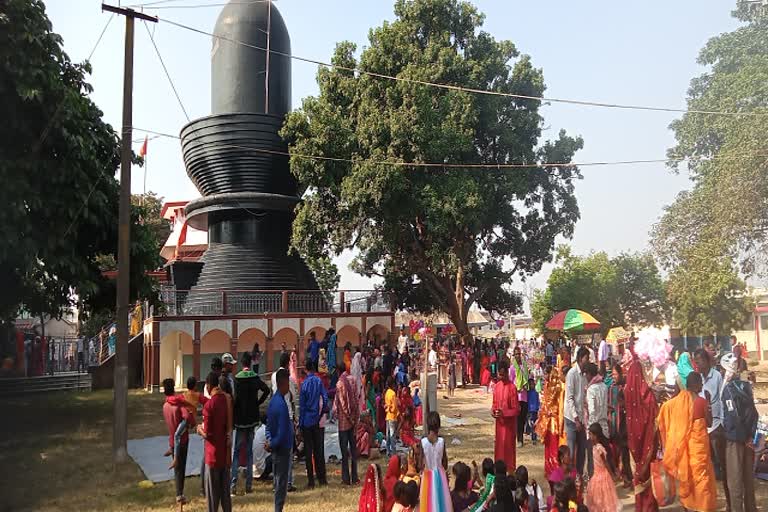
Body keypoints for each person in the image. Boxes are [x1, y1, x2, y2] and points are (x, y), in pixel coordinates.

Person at [657, 371, 717, 512]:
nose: (702, 385)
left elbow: (664, 412)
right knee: (701, 478)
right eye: (700, 383)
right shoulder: (701, 402)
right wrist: (708, 403)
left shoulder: (677, 402)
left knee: (687, 476)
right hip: (699, 449)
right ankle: (702, 507)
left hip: (684, 448)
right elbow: (709, 423)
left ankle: (687, 506)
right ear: (695, 385)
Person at [720, 352, 758, 512]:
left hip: (735, 439)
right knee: (748, 478)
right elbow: (754, 413)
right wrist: (750, 436)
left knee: (735, 481)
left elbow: (733, 414)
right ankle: (751, 508)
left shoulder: (728, 389)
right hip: (748, 438)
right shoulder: (746, 386)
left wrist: (743, 438)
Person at [231, 351, 270, 495]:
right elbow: (266, 390)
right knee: (249, 452)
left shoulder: (237, 379)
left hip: (240, 420)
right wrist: (257, 403)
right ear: (251, 363)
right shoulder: (254, 377)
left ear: (242, 364)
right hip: (252, 420)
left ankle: (233, 484)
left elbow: (234, 399)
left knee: (236, 452)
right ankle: (248, 486)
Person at [624, 353, 659, 512]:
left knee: (638, 470)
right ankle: (649, 506)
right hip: (646, 437)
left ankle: (641, 506)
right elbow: (651, 407)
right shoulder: (648, 396)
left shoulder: (629, 389)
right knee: (648, 469)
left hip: (633, 435)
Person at [694, 348, 728, 507]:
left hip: (716, 426)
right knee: (707, 467)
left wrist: (721, 422)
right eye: (695, 361)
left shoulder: (717, 376)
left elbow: (721, 399)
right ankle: (709, 502)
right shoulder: (698, 378)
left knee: (723, 466)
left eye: (699, 361)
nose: (697, 364)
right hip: (703, 427)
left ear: (707, 361)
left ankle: (729, 502)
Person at [198, 371, 232, 512]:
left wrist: (199, 428)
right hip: (224, 453)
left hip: (212, 456)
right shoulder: (226, 400)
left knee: (212, 498)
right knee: (225, 496)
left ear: (208, 385)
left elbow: (208, 434)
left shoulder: (209, 406)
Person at [298, 359, 329, 488]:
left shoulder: (304, 384)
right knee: (318, 450)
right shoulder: (318, 381)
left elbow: (302, 406)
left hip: (306, 421)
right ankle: (322, 479)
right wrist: (321, 413)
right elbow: (325, 398)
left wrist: (300, 423)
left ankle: (311, 481)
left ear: (306, 369)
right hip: (316, 419)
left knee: (308, 451)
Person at [162, 378, 192, 509]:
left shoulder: (165, 405)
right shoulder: (178, 405)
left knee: (177, 470)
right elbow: (187, 418)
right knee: (181, 468)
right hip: (183, 441)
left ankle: (179, 494)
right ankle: (180, 495)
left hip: (172, 442)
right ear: (173, 388)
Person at [267, 368, 294, 512]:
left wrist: (269, 441)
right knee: (281, 484)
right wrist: (272, 443)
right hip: (282, 448)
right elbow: (283, 432)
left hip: (277, 447)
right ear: (283, 384)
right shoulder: (282, 406)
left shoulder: (273, 402)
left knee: (278, 481)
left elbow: (269, 426)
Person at [535, 365, 565, 482]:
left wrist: (550, 412)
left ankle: (555, 471)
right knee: (548, 446)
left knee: (553, 447)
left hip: (553, 422)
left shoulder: (558, 390)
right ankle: (549, 470)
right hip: (547, 422)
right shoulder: (546, 386)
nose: (545, 377)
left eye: (547, 374)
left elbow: (558, 407)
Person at [420, 411, 453, 512]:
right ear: (439, 425)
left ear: (427, 425)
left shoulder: (423, 442)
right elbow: (445, 462)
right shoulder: (441, 442)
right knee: (441, 501)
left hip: (427, 475)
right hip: (440, 474)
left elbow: (421, 464)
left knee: (428, 503)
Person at [564, 347, 589, 478]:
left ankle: (578, 475)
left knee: (582, 451)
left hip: (581, 418)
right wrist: (576, 419)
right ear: (580, 359)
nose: (588, 361)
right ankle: (570, 478)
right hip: (571, 418)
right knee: (571, 451)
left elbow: (584, 397)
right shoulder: (571, 374)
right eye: (586, 358)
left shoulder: (585, 376)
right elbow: (570, 397)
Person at [335, 361, 361, 485]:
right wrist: (355, 418)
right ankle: (354, 477)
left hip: (344, 423)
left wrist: (349, 418)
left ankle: (346, 478)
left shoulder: (340, 383)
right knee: (353, 451)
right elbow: (356, 398)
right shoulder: (353, 380)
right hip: (353, 421)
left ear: (338, 371)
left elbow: (343, 404)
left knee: (344, 452)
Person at [585, 423, 620, 512]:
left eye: (591, 434)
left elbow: (606, 463)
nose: (590, 436)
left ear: (596, 436)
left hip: (603, 475)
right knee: (598, 498)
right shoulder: (593, 447)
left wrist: (612, 475)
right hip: (596, 475)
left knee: (605, 498)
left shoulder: (599, 448)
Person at [492, 358, 520, 471]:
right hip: (499, 425)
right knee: (499, 449)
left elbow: (516, 409)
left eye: (503, 375)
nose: (501, 377)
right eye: (500, 375)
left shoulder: (512, 388)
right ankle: (498, 471)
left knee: (508, 451)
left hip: (509, 427)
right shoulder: (497, 387)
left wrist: (505, 413)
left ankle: (510, 473)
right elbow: (494, 404)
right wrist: (493, 412)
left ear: (507, 373)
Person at [583, 362, 608, 477]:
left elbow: (592, 410)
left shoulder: (591, 389)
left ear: (589, 374)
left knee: (593, 462)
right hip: (604, 427)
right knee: (603, 459)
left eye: (586, 375)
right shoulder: (604, 386)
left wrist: (590, 430)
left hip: (595, 429)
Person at [253, 415, 272, 481]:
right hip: (261, 467)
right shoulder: (266, 431)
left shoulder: (259, 430)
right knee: (278, 453)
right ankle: (265, 475)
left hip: (256, 466)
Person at [384, 376, 400, 457]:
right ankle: (393, 452)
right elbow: (394, 407)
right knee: (392, 435)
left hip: (387, 416)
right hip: (393, 416)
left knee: (388, 435)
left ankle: (388, 451)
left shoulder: (387, 392)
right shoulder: (393, 394)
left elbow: (386, 404)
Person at [527, 376, 541, 444]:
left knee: (535, 424)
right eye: (530, 384)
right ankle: (533, 437)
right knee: (531, 424)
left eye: (532, 384)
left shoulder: (536, 393)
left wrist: (538, 409)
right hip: (530, 411)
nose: (531, 385)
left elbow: (538, 401)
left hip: (535, 410)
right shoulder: (527, 393)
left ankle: (534, 437)